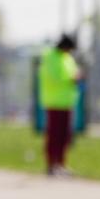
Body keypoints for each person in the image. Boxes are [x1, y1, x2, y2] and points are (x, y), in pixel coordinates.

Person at [38, 34, 83, 176]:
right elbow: (54, 78)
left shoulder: (67, 58)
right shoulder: (50, 58)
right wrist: (71, 79)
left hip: (67, 102)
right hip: (54, 102)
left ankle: (62, 164)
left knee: (65, 136)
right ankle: (51, 165)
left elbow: (73, 73)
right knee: (54, 135)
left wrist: (76, 77)